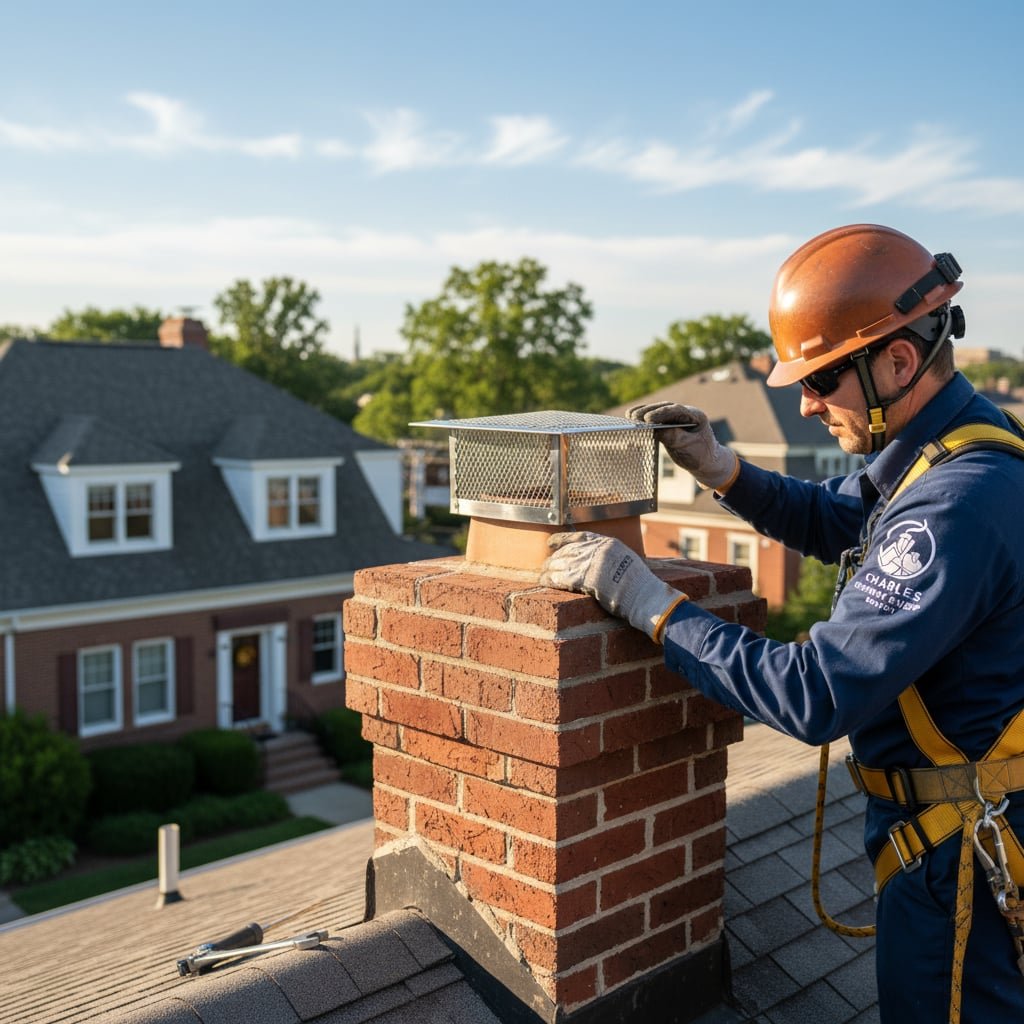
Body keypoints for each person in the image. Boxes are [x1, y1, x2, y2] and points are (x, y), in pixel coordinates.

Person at [539, 224, 1024, 1022]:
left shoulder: (957, 503)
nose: (804, 403)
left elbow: (816, 693)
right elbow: (841, 517)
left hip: (958, 862)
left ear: (898, 361)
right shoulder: (951, 447)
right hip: (947, 836)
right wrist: (720, 467)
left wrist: (647, 602)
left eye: (822, 378)